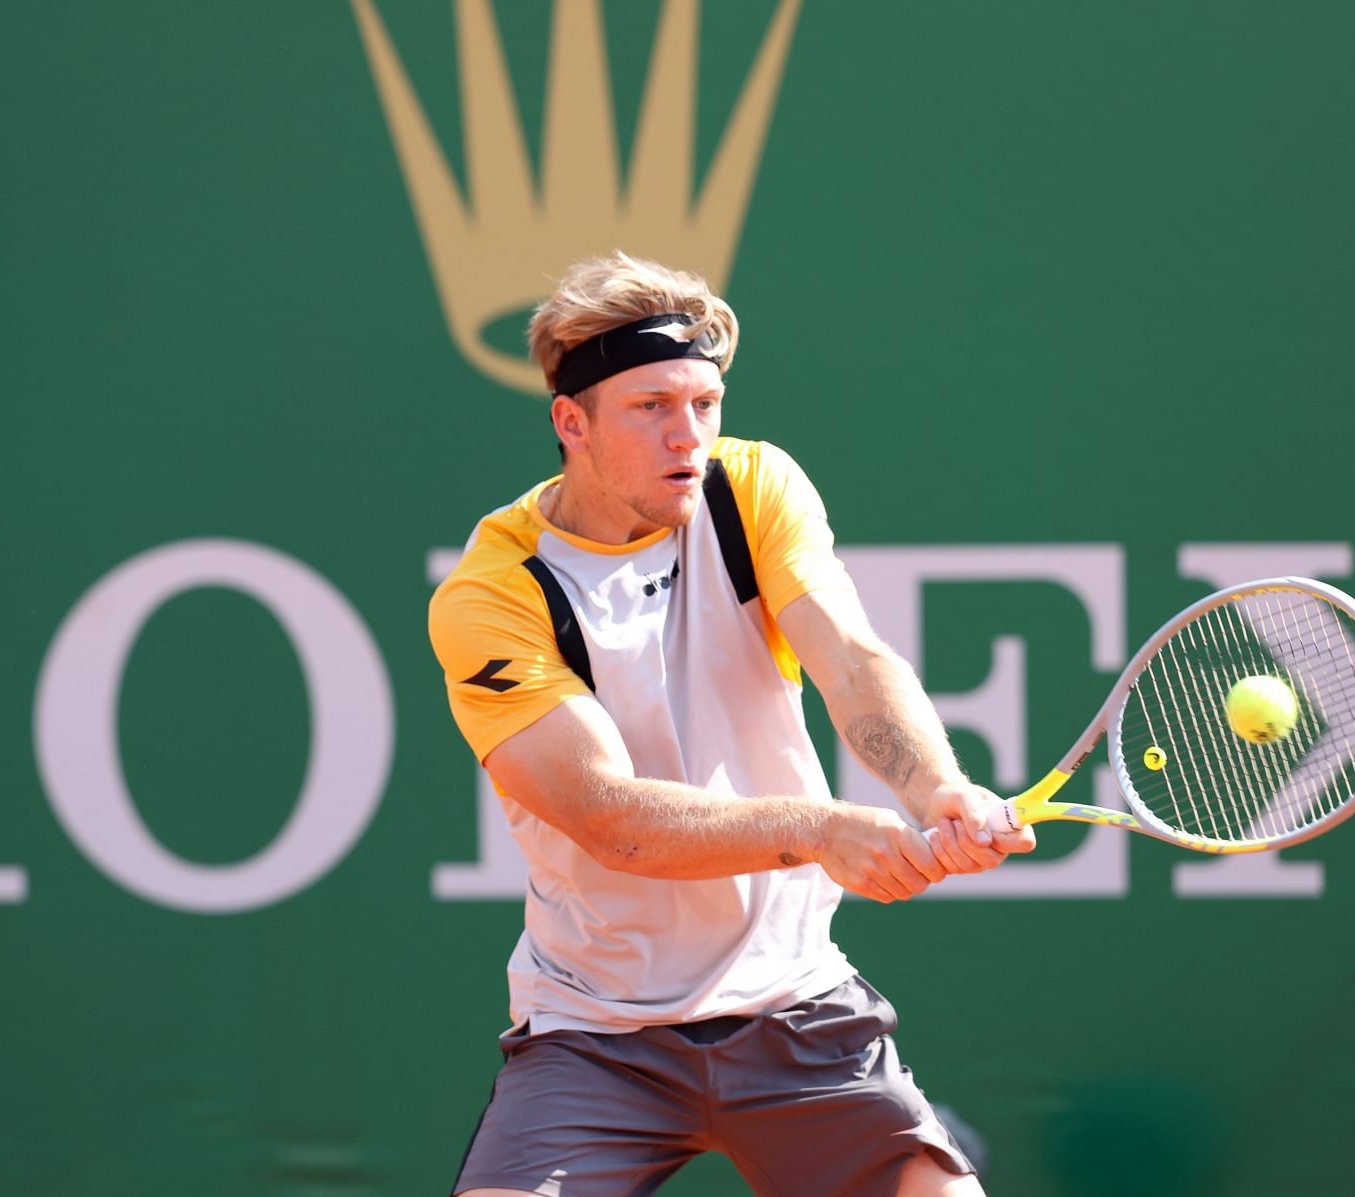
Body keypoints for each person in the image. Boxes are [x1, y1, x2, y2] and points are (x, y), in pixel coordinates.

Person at [427, 253, 1037, 1197]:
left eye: (706, 403)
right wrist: (820, 827)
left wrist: (935, 787)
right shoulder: (497, 592)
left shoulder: (751, 490)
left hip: (793, 1004)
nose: (691, 435)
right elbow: (611, 818)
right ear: (571, 422)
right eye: (653, 407)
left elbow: (854, 662)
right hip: (596, 1033)